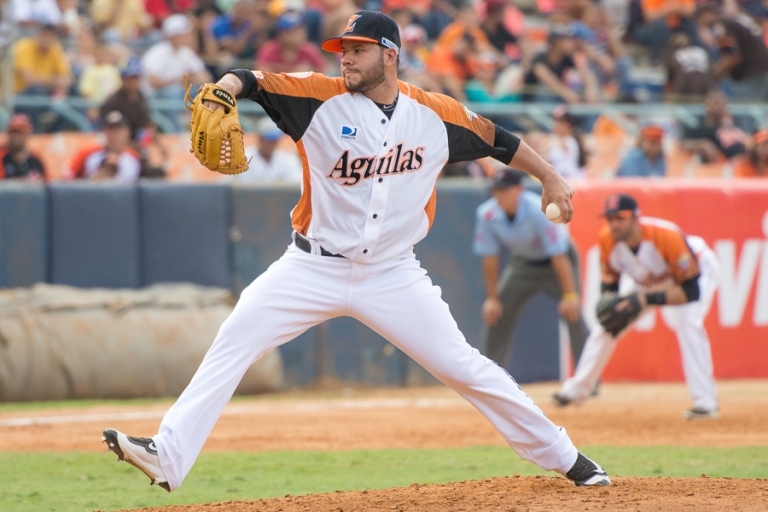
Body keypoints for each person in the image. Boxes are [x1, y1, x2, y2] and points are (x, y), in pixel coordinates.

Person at [102, 10, 610, 492]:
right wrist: (224, 91)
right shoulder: (317, 99)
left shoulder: (435, 115)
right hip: (311, 265)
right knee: (234, 337)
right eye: (342, 49)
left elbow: (499, 140)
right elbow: (251, 79)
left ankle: (568, 459)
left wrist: (550, 176)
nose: (345, 57)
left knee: (464, 365)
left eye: (358, 49)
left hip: (393, 273)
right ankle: (167, 455)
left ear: (390, 54)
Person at [552, 194, 721, 420]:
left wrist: (644, 300)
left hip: (694, 272)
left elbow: (691, 292)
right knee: (607, 326)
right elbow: (609, 287)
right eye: (609, 219)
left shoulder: (665, 236)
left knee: (688, 323)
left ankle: (706, 402)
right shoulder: (608, 239)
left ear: (635, 218)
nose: (614, 224)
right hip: (647, 281)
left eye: (620, 218)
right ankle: (577, 390)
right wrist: (613, 306)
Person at [474, 168, 589, 371]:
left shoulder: (538, 210)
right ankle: (488, 378)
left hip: (556, 264)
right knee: (497, 313)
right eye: (495, 190)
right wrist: (492, 298)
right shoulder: (487, 214)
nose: (498, 195)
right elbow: (489, 257)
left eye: (504, 190)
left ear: (519, 189)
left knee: (573, 313)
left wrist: (570, 295)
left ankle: (587, 380)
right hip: (523, 263)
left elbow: (558, 255)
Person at [141, 14, 211, 100]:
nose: (187, 38)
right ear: (173, 36)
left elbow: (205, 75)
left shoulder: (186, 52)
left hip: (180, 93)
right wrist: (181, 79)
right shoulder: (157, 53)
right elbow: (153, 82)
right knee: (172, 93)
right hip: (157, 96)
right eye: (183, 35)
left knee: (206, 90)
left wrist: (195, 78)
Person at [523, 25, 599, 104]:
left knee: (586, 91)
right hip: (533, 102)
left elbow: (587, 74)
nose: (572, 42)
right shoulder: (539, 58)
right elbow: (549, 81)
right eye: (567, 39)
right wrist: (568, 94)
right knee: (543, 91)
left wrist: (591, 90)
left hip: (555, 98)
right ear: (555, 43)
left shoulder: (566, 58)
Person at [69, 111, 141, 182]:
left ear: (128, 132)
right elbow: (66, 181)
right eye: (110, 129)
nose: (114, 134)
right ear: (104, 131)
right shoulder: (87, 153)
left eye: (118, 130)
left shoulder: (134, 157)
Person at [679, 91, 748, 163]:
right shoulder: (701, 127)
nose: (719, 107)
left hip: (742, 162)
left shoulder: (736, 124)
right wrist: (701, 144)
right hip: (719, 167)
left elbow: (747, 141)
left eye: (722, 103)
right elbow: (682, 143)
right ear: (707, 105)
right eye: (716, 103)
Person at [230, 117, 302, 183]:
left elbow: (296, 185)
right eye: (268, 139)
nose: (272, 143)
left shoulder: (288, 159)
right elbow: (233, 188)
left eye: (274, 140)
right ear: (259, 138)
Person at [255, 11, 326, 74]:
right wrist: (295, 74)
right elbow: (261, 75)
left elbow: (325, 72)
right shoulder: (268, 50)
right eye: (292, 31)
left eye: (300, 30)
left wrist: (312, 71)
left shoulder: (310, 50)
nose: (299, 34)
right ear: (281, 34)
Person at [0, 114, 46, 180]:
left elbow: (48, 184)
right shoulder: (2, 156)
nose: (16, 136)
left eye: (21, 132)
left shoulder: (36, 159)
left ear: (28, 133)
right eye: (13, 132)